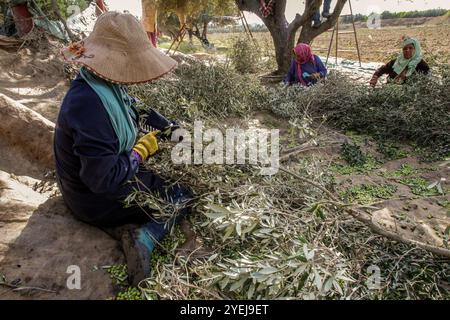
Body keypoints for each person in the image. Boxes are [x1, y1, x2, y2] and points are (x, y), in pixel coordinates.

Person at [56, 12, 190, 286]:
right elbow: (103, 179)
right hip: (91, 198)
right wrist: (140, 151)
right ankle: (146, 238)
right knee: (181, 194)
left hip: (91, 180)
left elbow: (135, 106)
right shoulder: (88, 104)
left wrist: (169, 128)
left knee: (164, 182)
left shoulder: (101, 84)